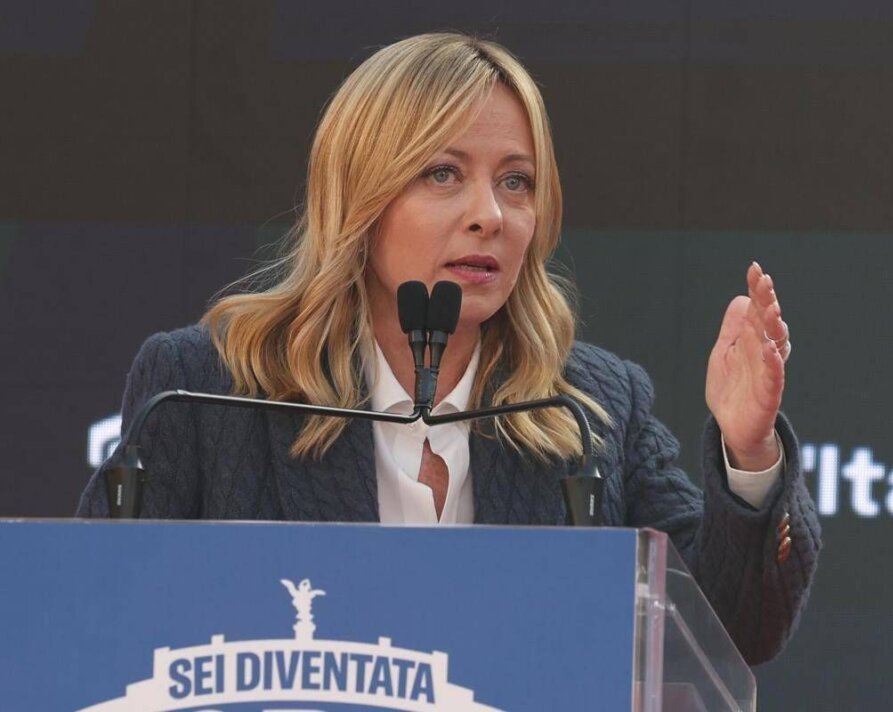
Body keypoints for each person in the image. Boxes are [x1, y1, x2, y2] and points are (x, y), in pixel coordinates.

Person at [76, 33, 819, 664]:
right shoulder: (208, 387)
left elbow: (728, 632)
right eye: (443, 174)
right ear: (360, 196)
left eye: (517, 182)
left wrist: (748, 452)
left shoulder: (590, 407)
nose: (489, 215)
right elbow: (93, 627)